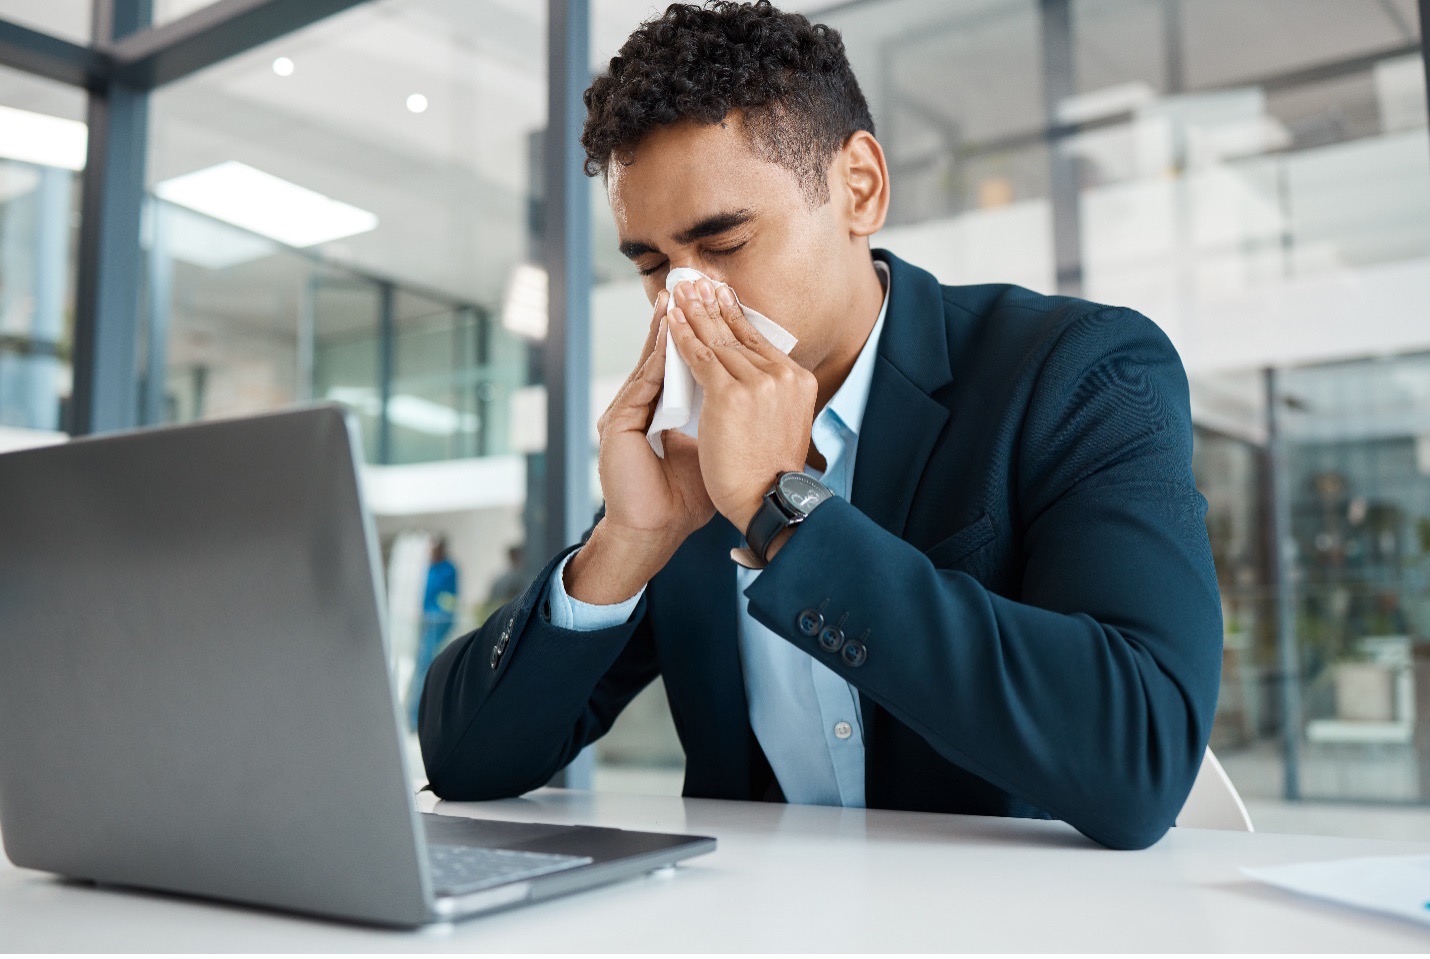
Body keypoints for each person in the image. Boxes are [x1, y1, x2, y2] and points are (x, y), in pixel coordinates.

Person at [419, 1, 1222, 850]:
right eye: (653, 265)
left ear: (860, 188)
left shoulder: (1077, 371)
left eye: (723, 243)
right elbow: (469, 760)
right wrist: (626, 541)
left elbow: (1141, 753)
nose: (687, 302)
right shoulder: (687, 455)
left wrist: (781, 509)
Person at [408, 536, 459, 731]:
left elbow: (448, 599)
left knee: (429, 669)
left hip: (439, 623)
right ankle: (415, 717)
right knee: (421, 668)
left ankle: (422, 718)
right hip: (427, 622)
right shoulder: (430, 567)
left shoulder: (448, 569)